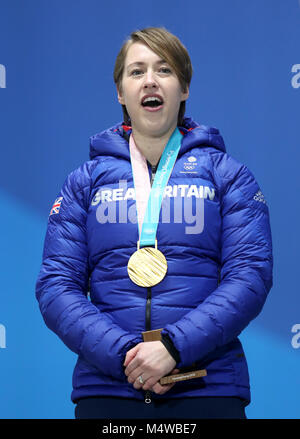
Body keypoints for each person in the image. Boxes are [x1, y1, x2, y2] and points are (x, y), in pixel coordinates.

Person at [35, 27, 273, 419]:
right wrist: (125, 355)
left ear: (184, 89)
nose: (150, 80)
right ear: (120, 92)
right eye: (136, 71)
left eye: (164, 70)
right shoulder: (83, 182)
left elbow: (250, 276)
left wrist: (173, 347)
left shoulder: (229, 176)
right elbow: (56, 286)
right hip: (108, 390)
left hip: (208, 388)